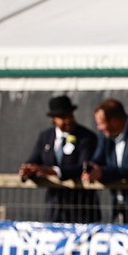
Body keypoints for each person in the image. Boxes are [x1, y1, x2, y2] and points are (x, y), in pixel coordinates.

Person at [18, 95, 100, 223]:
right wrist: (28, 170)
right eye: (62, 117)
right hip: (55, 207)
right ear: (53, 119)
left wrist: (53, 171)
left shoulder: (87, 137)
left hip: (81, 207)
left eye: (70, 115)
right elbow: (34, 160)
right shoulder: (45, 137)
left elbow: (83, 165)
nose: (68, 120)